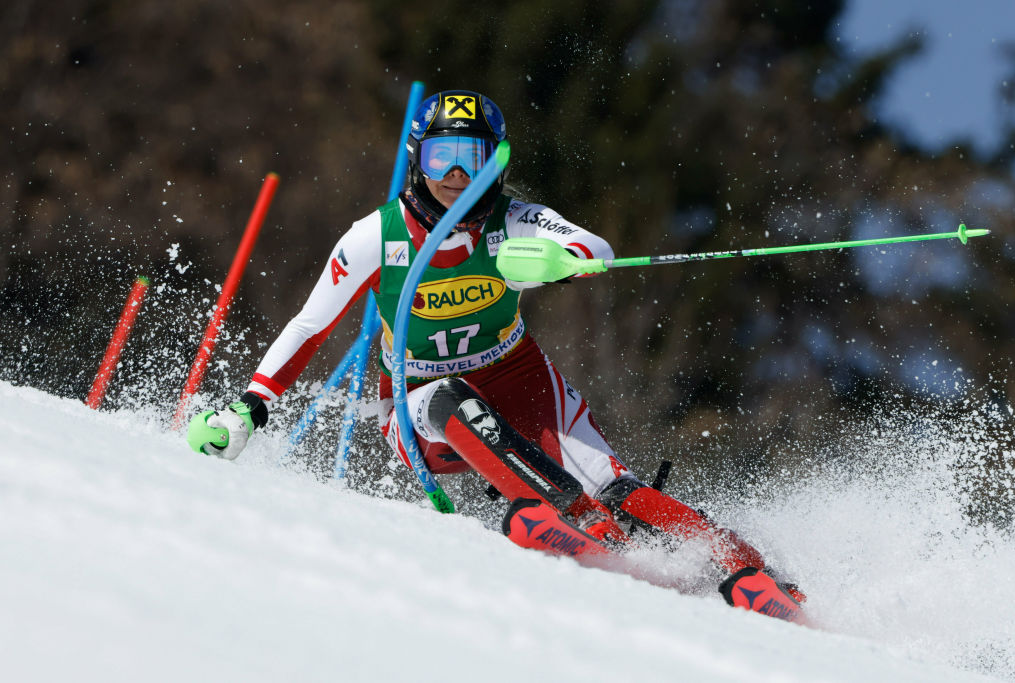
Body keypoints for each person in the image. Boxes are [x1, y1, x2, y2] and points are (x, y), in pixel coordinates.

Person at [187, 90, 807, 624]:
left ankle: (745, 568)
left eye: (472, 159)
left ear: (495, 164)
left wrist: (563, 261)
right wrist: (250, 409)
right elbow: (309, 325)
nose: (456, 176)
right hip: (417, 404)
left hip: (518, 375)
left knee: (616, 486)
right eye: (441, 158)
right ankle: (555, 510)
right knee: (445, 398)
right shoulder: (376, 235)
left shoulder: (514, 222)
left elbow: (593, 244)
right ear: (417, 163)